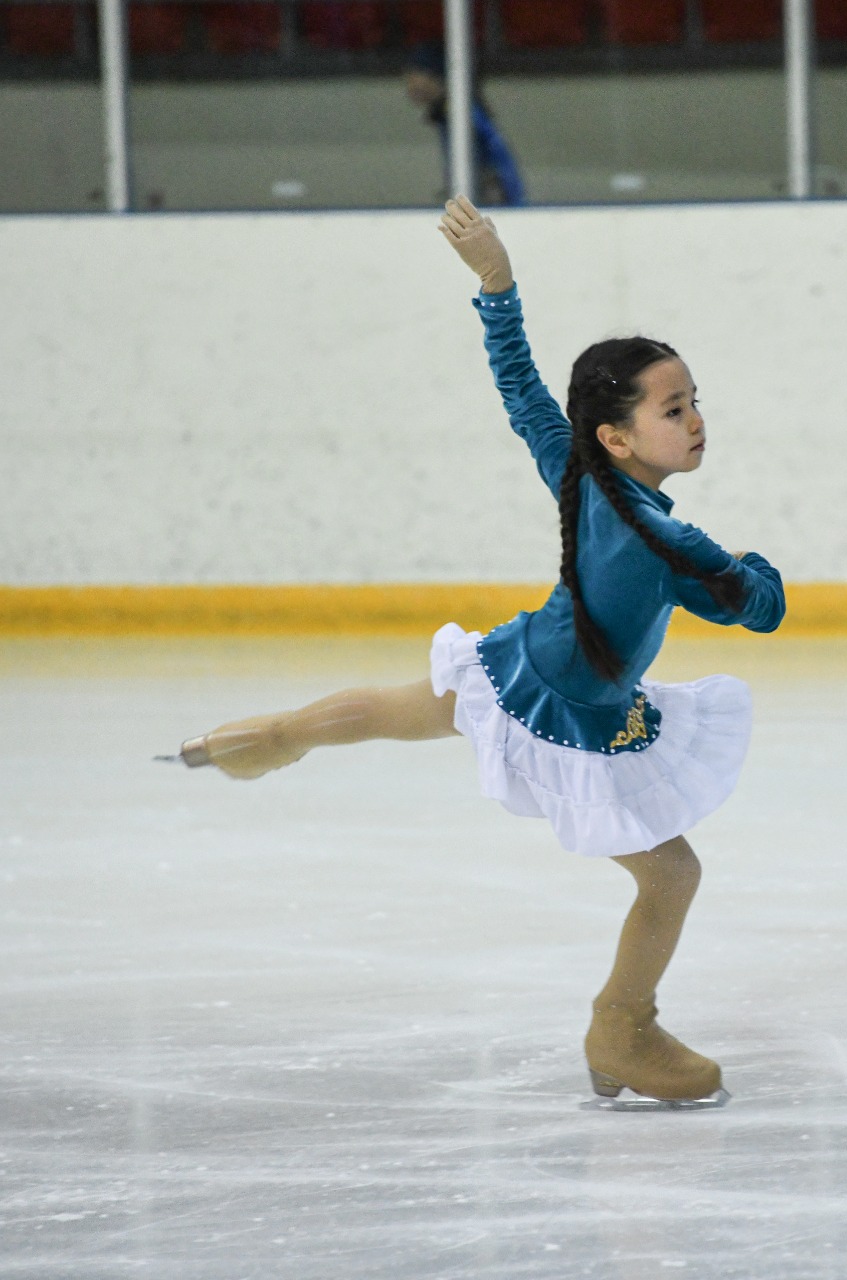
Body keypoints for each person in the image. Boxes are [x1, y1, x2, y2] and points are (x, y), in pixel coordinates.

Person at [166, 198, 785, 1107]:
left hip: (518, 661)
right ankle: (622, 1028)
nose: (695, 421)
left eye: (695, 403)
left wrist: (497, 284)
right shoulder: (668, 544)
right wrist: (745, 561)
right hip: (571, 710)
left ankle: (260, 738)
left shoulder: (578, 472)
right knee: (672, 874)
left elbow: (520, 389)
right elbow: (761, 610)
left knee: (397, 710)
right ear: (616, 436)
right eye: (674, 408)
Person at [405, 41, 526, 207]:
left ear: (438, 77)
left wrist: (493, 191)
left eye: (416, 72)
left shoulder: (461, 113)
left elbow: (493, 153)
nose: (410, 82)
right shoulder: (449, 113)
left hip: (497, 206)